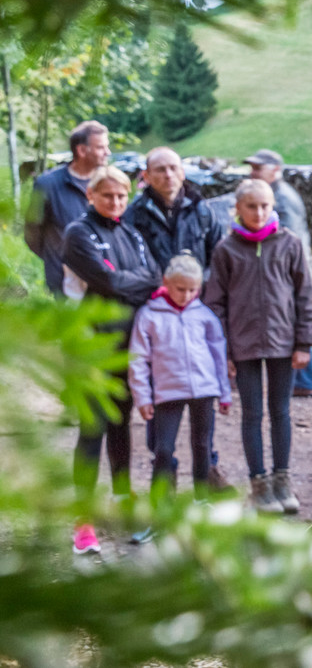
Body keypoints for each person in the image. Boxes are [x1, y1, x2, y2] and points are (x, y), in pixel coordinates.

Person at [62, 165, 159, 555]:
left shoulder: (131, 232)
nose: (116, 202)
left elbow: (153, 275)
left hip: (127, 345)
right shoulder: (78, 233)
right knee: (92, 430)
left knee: (121, 424)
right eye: (107, 196)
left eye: (121, 196)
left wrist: (133, 281)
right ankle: (82, 519)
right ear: (90, 196)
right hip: (90, 346)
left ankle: (122, 498)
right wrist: (136, 281)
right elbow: (111, 283)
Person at [205, 179, 312, 516]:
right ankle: (259, 485)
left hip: (284, 344)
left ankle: (283, 481)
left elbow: (305, 296)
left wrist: (304, 342)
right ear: (237, 209)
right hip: (243, 345)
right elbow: (216, 304)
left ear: (273, 207)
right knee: (252, 413)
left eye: (265, 205)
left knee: (281, 411)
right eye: (251, 206)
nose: (259, 212)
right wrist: (222, 351)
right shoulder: (226, 249)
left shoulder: (290, 243)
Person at [127, 254, 230, 506]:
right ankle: (159, 503)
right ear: (166, 282)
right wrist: (142, 396)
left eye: (193, 290)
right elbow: (137, 358)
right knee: (163, 449)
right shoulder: (148, 315)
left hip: (204, 390)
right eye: (180, 289)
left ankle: (201, 500)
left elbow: (218, 355)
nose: (186, 295)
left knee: (202, 446)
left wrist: (224, 392)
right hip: (167, 391)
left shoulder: (204, 315)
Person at [248, 149, 312, 397]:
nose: (252, 173)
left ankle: (304, 381)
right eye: (252, 168)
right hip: (288, 269)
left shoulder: (283, 198)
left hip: (290, 270)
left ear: (276, 169)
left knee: (296, 318)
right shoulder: (276, 194)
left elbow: (291, 237)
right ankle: (302, 381)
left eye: (258, 168)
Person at [27, 121, 111, 296]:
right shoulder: (47, 185)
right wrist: (56, 259)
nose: (107, 153)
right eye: (101, 148)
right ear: (81, 150)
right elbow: (32, 232)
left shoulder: (108, 183)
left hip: (105, 278)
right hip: (64, 282)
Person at [125, 147, 225, 274]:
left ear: (182, 173)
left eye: (173, 168)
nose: (168, 175)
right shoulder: (133, 215)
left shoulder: (202, 211)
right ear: (146, 176)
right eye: (160, 170)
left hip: (198, 290)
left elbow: (218, 259)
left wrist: (198, 286)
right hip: (153, 291)